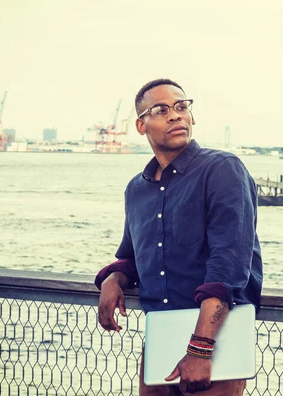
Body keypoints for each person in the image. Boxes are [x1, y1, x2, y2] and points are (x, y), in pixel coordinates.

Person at [95, 78, 263, 395]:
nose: (175, 115)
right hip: (160, 337)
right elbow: (136, 257)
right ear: (141, 125)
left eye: (181, 106)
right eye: (161, 110)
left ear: (191, 116)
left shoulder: (223, 169)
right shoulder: (136, 189)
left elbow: (228, 265)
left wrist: (200, 349)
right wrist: (113, 278)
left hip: (215, 343)